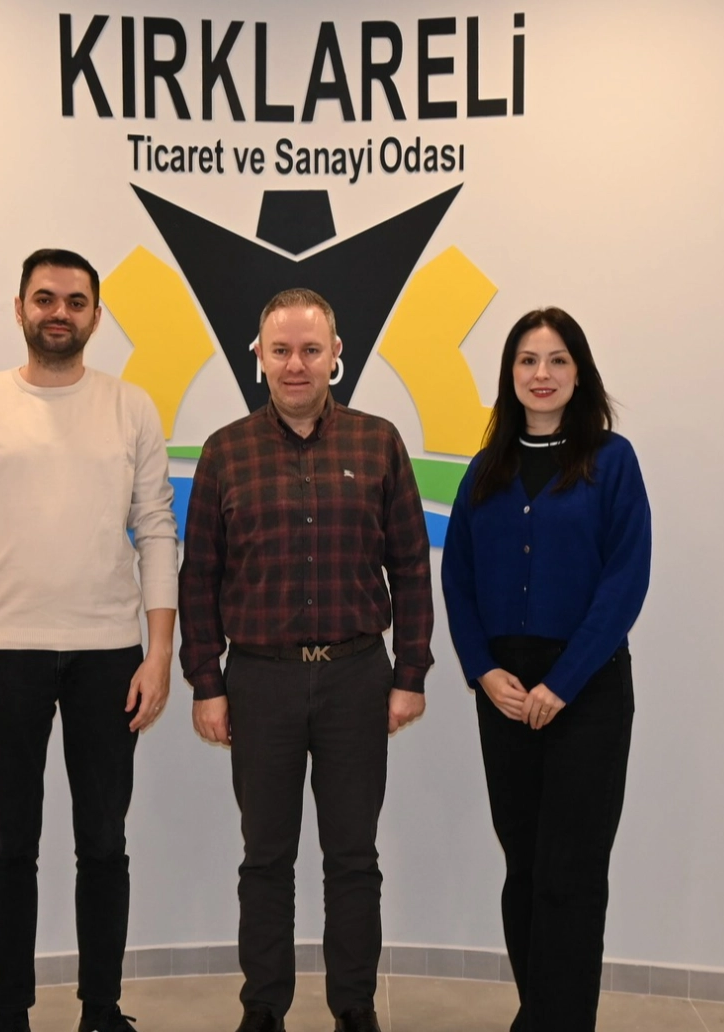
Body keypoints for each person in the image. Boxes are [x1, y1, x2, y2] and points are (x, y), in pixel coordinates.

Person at [0, 248, 177, 1032]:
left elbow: (157, 531)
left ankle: (102, 1010)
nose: (58, 313)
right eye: (44, 298)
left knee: (104, 841)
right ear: (20, 308)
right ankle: (9, 1014)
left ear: (95, 315)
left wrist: (159, 653)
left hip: (110, 653)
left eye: (74, 301)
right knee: (11, 844)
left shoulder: (130, 407)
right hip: (4, 653)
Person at [178, 288, 433, 1032]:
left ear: (335, 355)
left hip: (358, 676)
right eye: (282, 350)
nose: (297, 364)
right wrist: (206, 683)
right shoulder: (225, 451)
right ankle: (264, 1007)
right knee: (265, 858)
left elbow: (411, 567)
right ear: (258, 357)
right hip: (260, 681)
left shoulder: (378, 442)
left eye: (311, 350)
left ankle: (354, 1006)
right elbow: (201, 577)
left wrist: (410, 673)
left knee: (353, 858)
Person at [440, 307, 651, 1032]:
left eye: (557, 359)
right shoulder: (485, 470)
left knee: (572, 872)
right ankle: (541, 1012)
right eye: (527, 360)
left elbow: (626, 579)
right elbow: (458, 580)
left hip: (586, 688)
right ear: (510, 375)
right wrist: (482, 670)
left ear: (579, 372)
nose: (541, 374)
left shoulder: (612, 460)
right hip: (504, 689)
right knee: (526, 867)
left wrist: (563, 683)